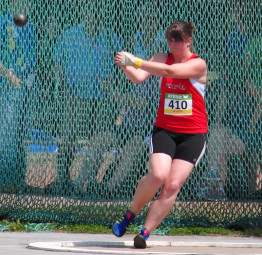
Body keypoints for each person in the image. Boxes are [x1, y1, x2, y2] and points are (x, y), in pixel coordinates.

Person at [112, 20, 208, 248]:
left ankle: (144, 233)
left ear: (189, 41)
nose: (172, 44)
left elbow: (169, 71)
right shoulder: (160, 57)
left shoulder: (199, 65)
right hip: (165, 131)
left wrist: (134, 60)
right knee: (158, 176)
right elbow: (138, 77)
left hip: (193, 135)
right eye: (169, 40)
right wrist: (124, 64)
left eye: (178, 40)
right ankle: (129, 216)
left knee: (172, 185)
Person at [0, 0, 37, 193]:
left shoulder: (30, 26)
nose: (26, 4)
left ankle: (18, 179)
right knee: (7, 134)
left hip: (28, 88)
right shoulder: (3, 23)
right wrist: (8, 74)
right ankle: (5, 180)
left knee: (22, 135)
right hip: (8, 87)